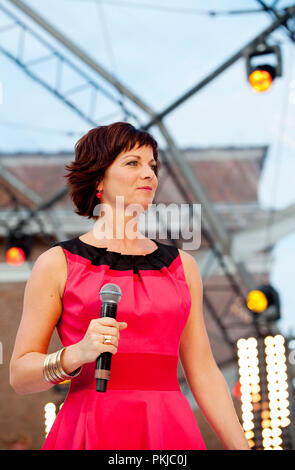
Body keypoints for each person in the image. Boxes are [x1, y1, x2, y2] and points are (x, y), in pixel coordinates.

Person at [9, 122, 250, 450]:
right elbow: (20, 376)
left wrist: (241, 447)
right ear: (98, 179)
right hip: (89, 426)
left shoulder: (182, 267)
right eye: (132, 163)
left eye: (152, 165)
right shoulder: (58, 263)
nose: (149, 174)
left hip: (168, 427)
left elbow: (204, 372)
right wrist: (76, 354)